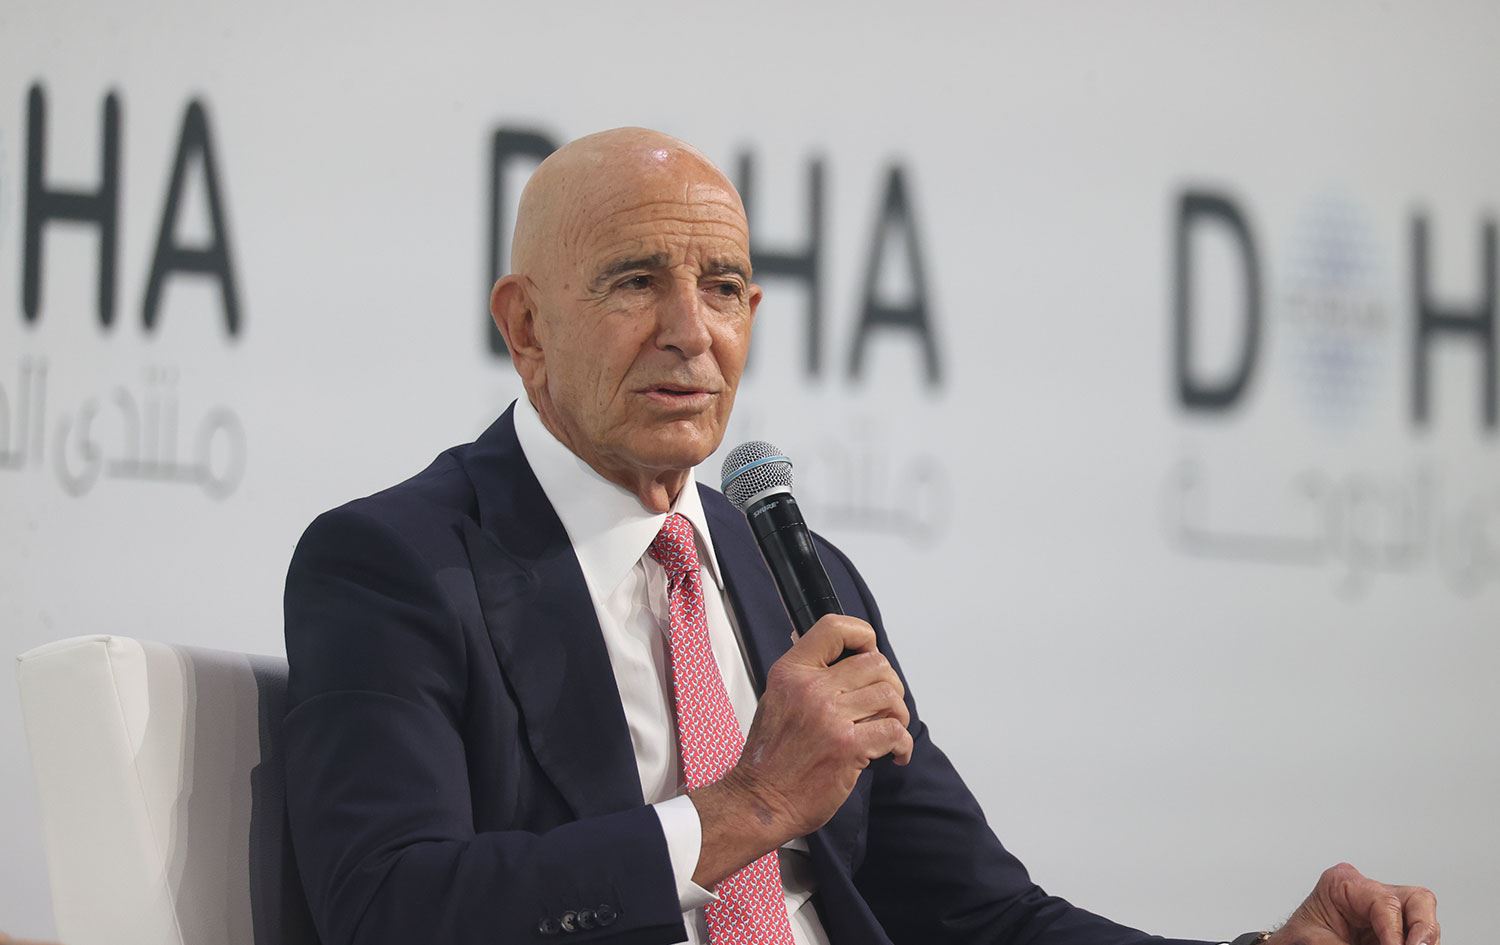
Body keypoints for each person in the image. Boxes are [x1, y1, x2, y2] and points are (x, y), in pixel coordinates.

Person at [282, 127, 1440, 945]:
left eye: (724, 289)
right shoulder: (395, 566)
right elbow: (387, 907)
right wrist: (747, 808)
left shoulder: (796, 575)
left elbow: (979, 918)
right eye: (636, 282)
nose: (690, 333)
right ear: (526, 325)